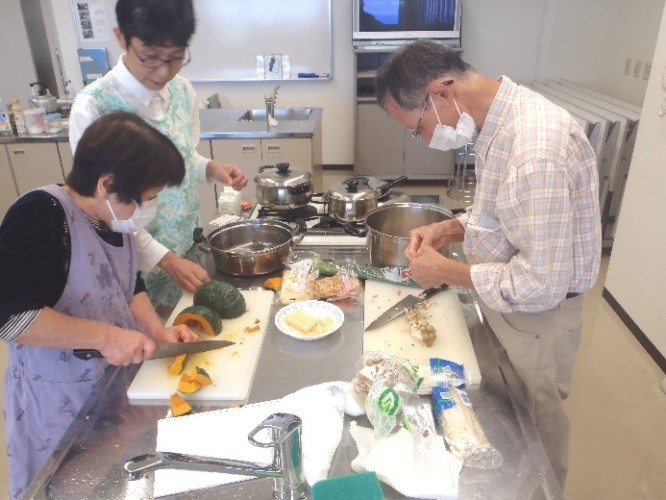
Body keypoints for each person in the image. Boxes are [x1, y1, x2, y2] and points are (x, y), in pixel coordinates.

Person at [375, 40, 602, 489]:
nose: (423, 139)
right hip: (504, 303)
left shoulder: (537, 149)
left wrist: (446, 272)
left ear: (441, 92)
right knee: (506, 422)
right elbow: (498, 214)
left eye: (417, 128)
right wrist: (448, 229)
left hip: (538, 318)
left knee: (535, 435)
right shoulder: (498, 122)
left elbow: (541, 283)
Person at [0, 111, 201, 499]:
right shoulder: (39, 215)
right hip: (58, 403)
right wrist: (106, 337)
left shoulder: (114, 221)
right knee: (62, 489)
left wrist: (159, 333)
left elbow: (128, 285)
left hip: (110, 389)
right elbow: (10, 316)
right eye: (146, 198)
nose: (148, 207)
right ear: (107, 184)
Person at [69, 0, 248, 302]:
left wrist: (211, 169)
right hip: (132, 265)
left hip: (185, 246)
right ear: (122, 37)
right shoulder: (94, 106)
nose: (164, 71)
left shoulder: (182, 91)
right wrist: (163, 258)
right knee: (146, 341)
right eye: (150, 57)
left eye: (176, 57)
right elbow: (99, 206)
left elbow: (183, 156)